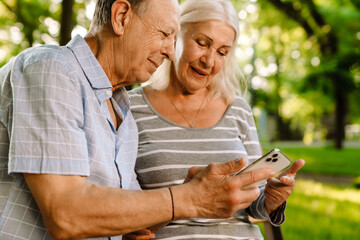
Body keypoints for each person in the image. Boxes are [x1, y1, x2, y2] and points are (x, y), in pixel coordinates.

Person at [0, 0, 278, 239]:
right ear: (121, 17)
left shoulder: (121, 114)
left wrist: (195, 192)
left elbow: (135, 216)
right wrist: (191, 199)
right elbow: (65, 213)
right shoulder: (51, 70)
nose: (170, 51)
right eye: (165, 33)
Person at [129, 0, 305, 239]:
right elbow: (119, 204)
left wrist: (271, 201)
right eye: (202, 43)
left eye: (222, 52)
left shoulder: (238, 108)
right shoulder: (131, 107)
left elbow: (255, 206)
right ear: (175, 35)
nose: (209, 61)